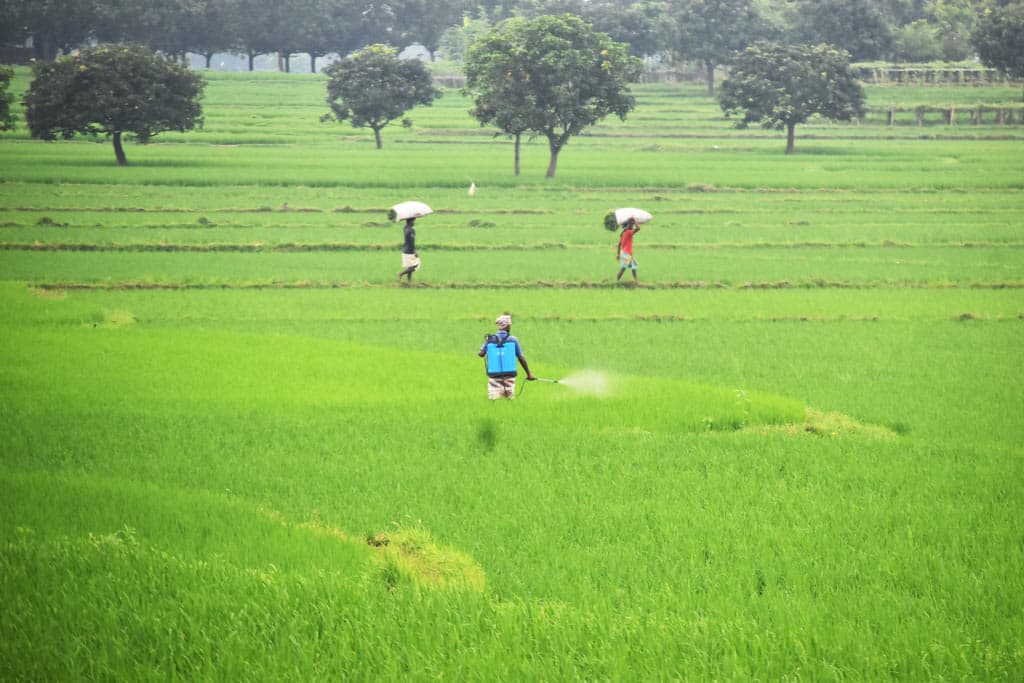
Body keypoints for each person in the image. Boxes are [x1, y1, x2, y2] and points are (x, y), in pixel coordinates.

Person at [477, 314, 536, 399]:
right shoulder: (513, 339)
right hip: (509, 375)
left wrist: (487, 343)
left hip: (494, 375)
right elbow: (521, 357)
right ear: (508, 326)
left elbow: (481, 354)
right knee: (509, 400)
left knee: (494, 401)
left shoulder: (490, 339)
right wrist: (529, 374)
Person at [616, 217, 640, 283]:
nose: (633, 226)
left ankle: (636, 281)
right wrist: (635, 221)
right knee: (623, 268)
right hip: (626, 254)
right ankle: (617, 280)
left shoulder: (623, 233)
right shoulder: (629, 232)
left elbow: (619, 244)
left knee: (634, 266)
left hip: (624, 253)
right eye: (632, 225)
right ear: (629, 225)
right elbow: (638, 228)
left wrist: (618, 254)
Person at [397, 217, 419, 283]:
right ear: (410, 222)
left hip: (405, 249)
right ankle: (400, 274)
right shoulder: (411, 230)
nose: (414, 223)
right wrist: (415, 251)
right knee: (416, 265)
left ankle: (409, 282)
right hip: (409, 250)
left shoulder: (405, 228)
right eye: (413, 221)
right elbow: (412, 242)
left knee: (410, 267)